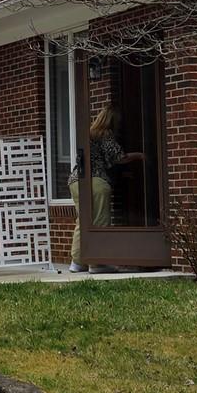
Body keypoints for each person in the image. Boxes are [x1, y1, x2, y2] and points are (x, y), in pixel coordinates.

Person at [68, 102, 123, 270]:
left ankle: (78, 262)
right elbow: (118, 156)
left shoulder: (89, 133)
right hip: (97, 180)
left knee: (83, 220)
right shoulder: (105, 134)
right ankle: (97, 262)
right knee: (100, 220)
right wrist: (141, 156)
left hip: (76, 180)